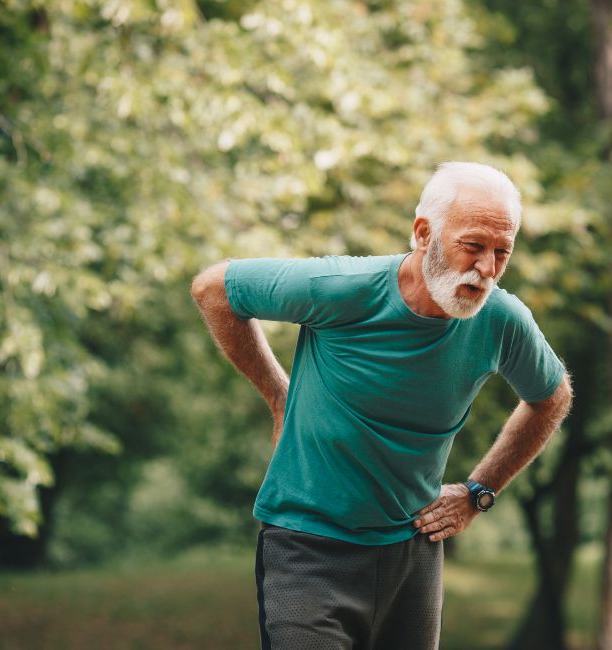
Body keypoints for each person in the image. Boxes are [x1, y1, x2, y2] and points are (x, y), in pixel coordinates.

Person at [191, 161, 572, 650]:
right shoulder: (345, 287)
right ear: (423, 233)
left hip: (413, 553)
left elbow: (551, 396)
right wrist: (277, 393)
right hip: (308, 549)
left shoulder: (501, 319)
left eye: (502, 253)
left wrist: (480, 490)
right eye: (473, 246)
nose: (486, 269)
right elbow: (214, 288)